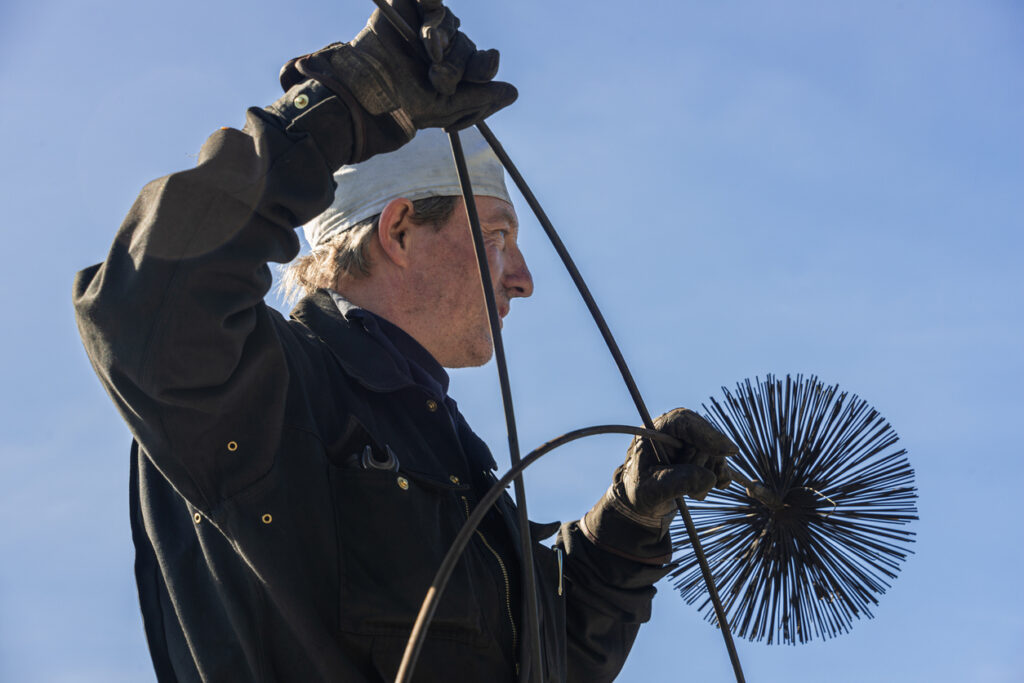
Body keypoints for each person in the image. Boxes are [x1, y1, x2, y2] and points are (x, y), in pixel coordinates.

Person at [73, 1, 737, 681]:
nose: (524, 279)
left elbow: (547, 658)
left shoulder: (446, 448)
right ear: (398, 232)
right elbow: (146, 301)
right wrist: (347, 101)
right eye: (499, 238)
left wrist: (626, 526)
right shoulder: (269, 390)